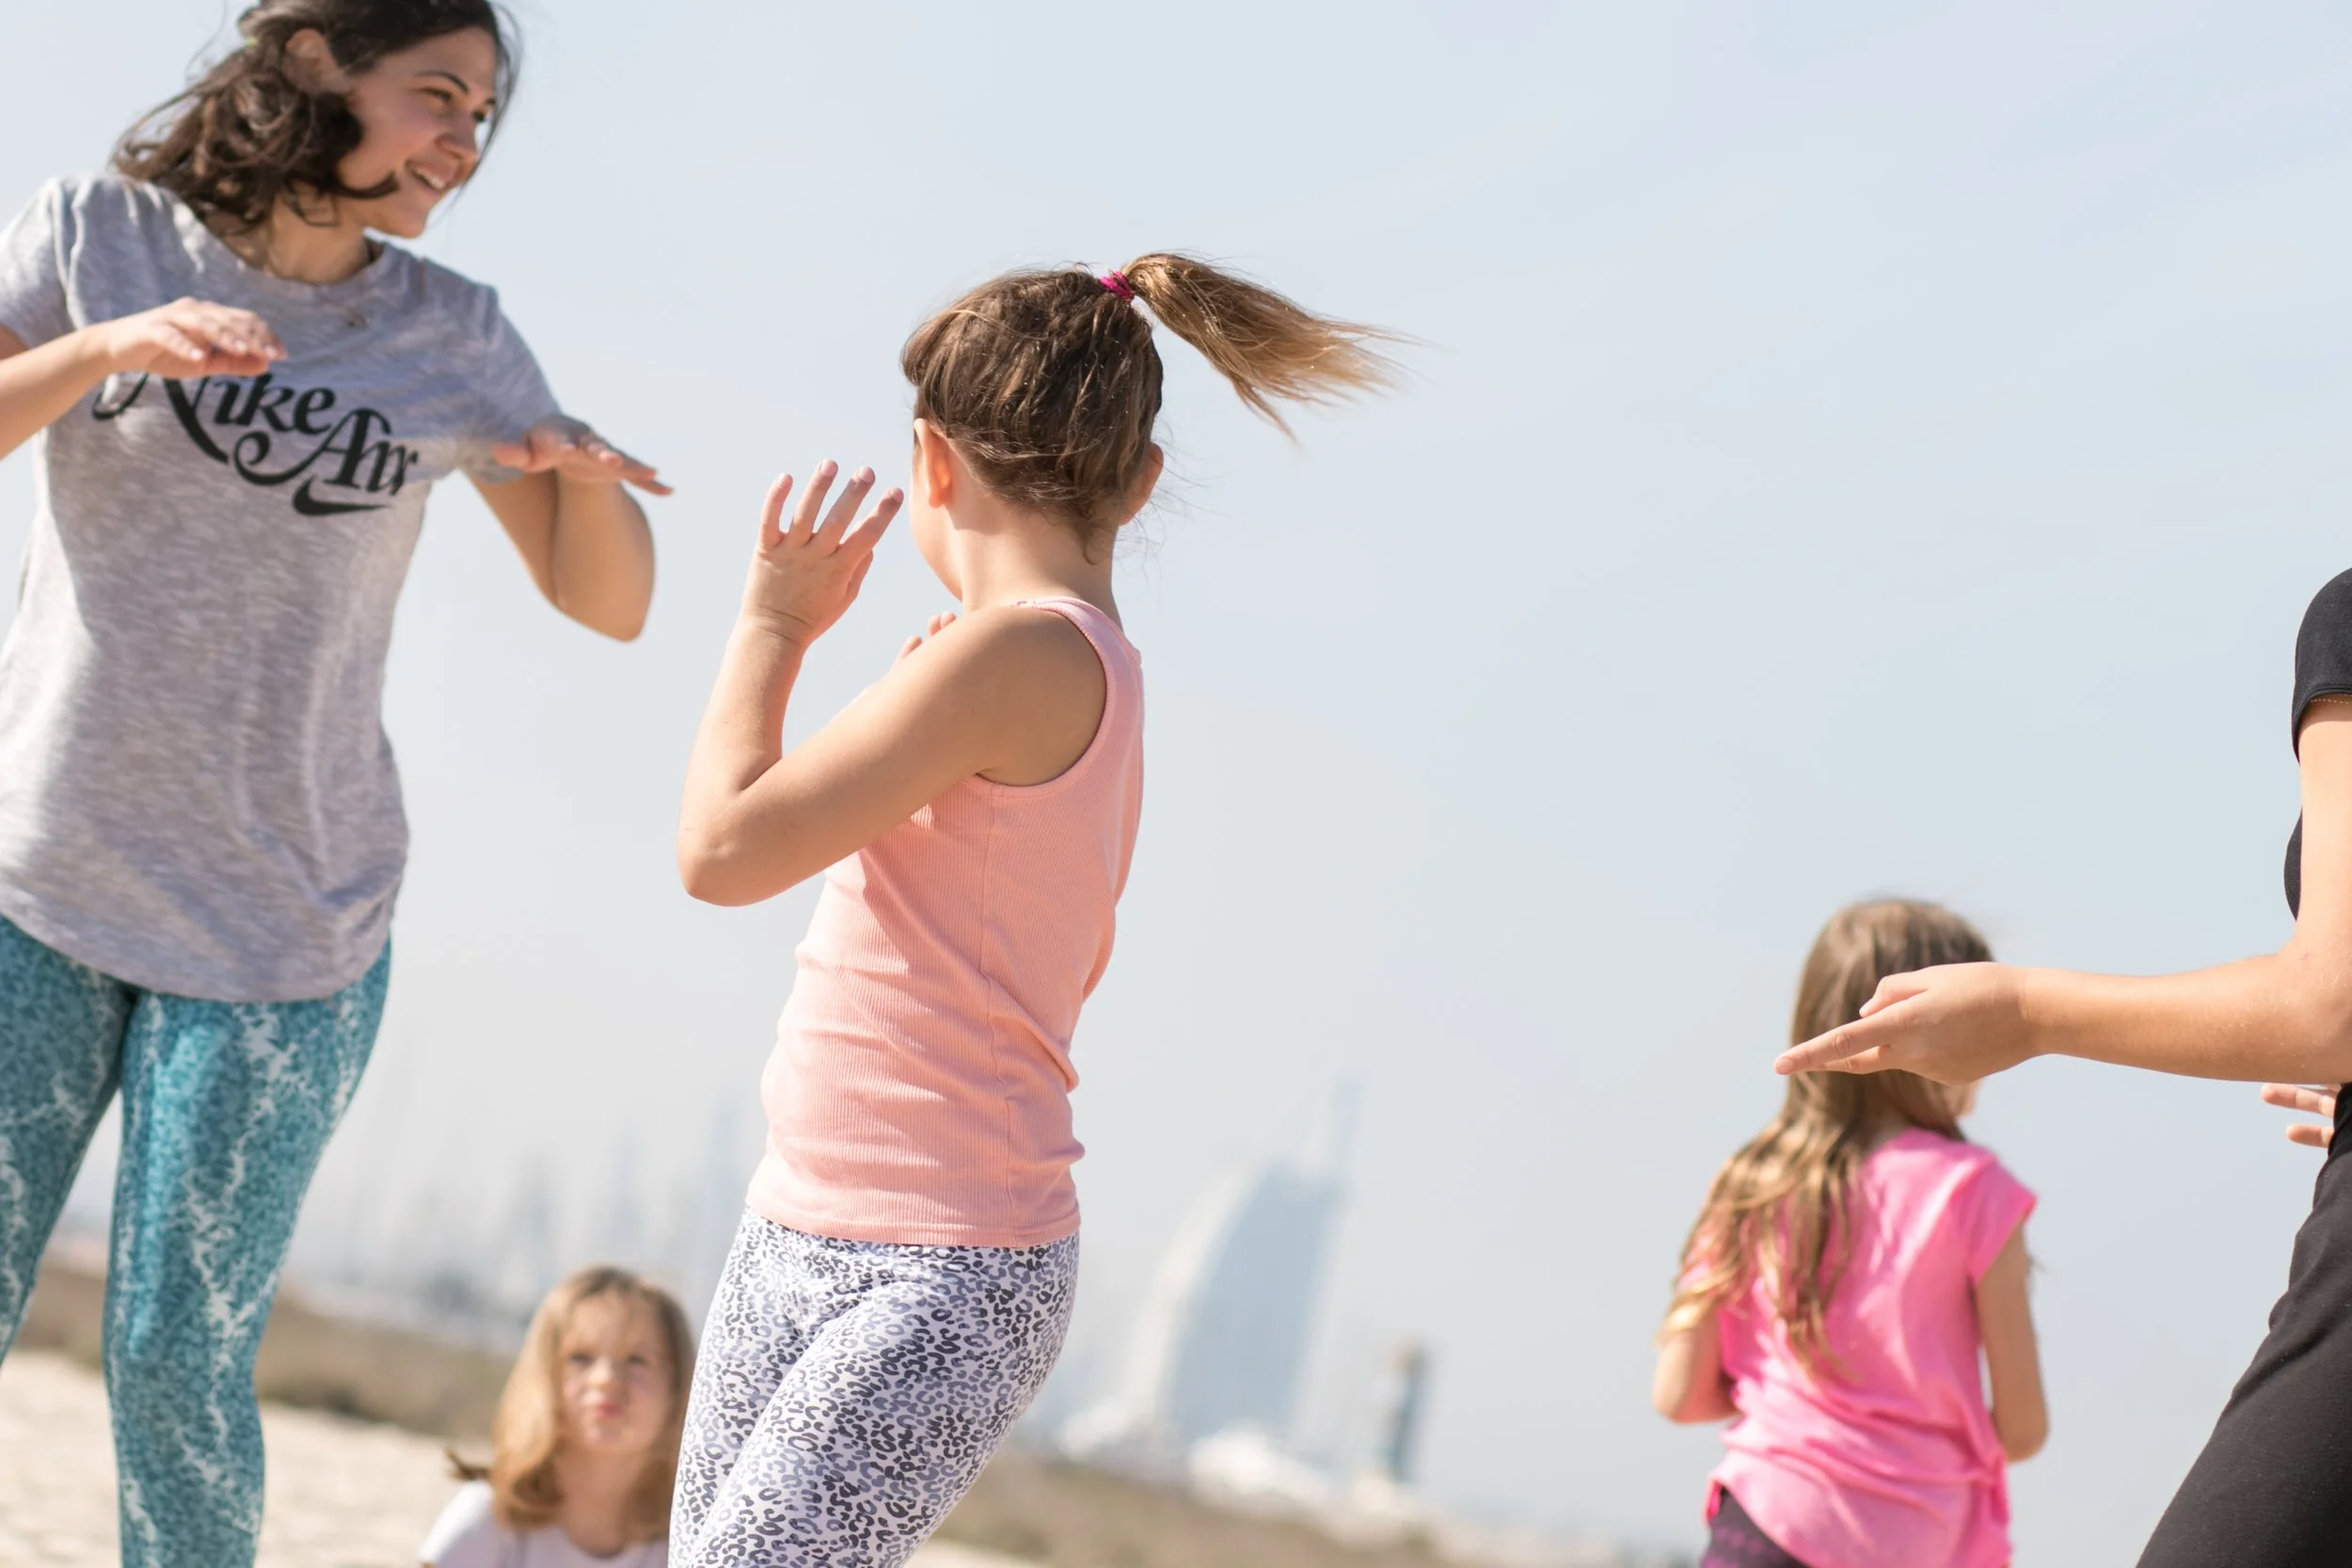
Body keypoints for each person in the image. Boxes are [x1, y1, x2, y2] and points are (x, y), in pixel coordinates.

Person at [0, 5, 664, 1564]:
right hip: (42, 878)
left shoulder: (452, 335)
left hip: (286, 934)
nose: (461, 143)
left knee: (174, 1355)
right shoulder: (103, 233)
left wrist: (573, 471)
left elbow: (610, 601)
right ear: (308, 61)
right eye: (435, 95)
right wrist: (112, 346)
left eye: (482, 117)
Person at [669, 256, 1392, 1565]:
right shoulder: (1029, 659)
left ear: (931, 465)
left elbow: (722, 848)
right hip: (800, 1218)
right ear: (1143, 481)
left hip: (940, 1270)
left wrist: (772, 621)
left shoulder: (1018, 655)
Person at [1774, 571, 2352, 1563]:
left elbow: (2329, 1002)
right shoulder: (1971, 1197)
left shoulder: (1768, 1194)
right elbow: (2022, 1421)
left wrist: (2026, 1007)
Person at [1655, 900, 2046, 1568]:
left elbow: (1679, 1395)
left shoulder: (1751, 1180)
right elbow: (2022, 1427)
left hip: (1767, 1521)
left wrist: (1799, 1403)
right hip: (1917, 1542)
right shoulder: (1974, 1191)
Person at [421, 1266, 693, 1568]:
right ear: (542, 1377)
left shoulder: (686, 1541)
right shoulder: (491, 1517)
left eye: (636, 1360)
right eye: (580, 1357)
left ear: (679, 1387)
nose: (606, 1379)